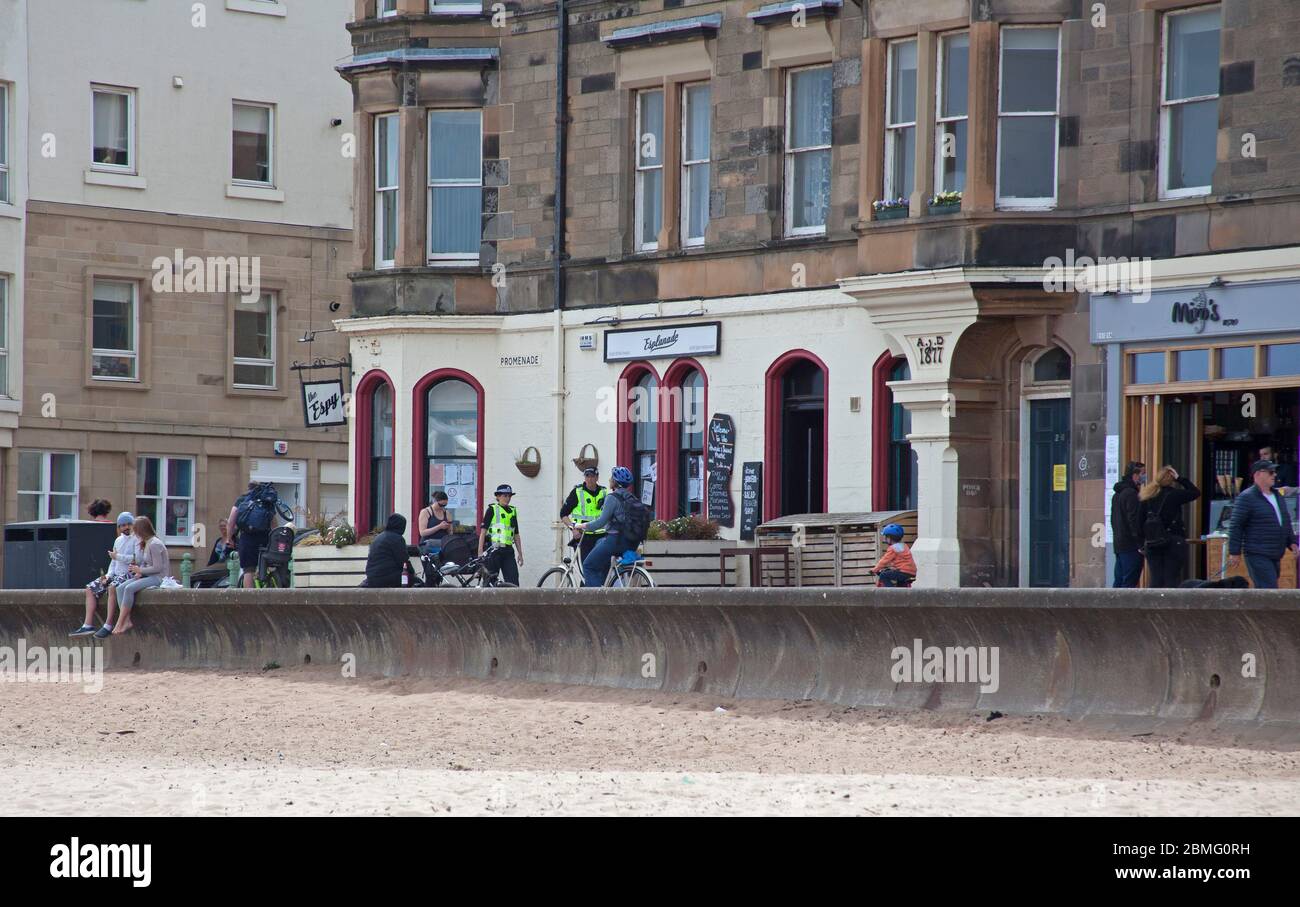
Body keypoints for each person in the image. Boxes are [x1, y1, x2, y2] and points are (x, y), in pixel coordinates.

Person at [1227, 460, 1299, 589]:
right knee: (1269, 588)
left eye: (1274, 472)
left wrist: (1292, 542)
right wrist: (1234, 551)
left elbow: (1285, 520)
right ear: (1258, 474)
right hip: (1257, 552)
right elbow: (1236, 525)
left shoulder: (1277, 495)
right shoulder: (1247, 497)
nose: (1274, 475)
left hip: (1275, 552)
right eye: (1270, 472)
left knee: (1267, 589)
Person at [70, 511, 138, 637]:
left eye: (129, 524)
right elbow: (113, 562)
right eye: (123, 525)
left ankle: (108, 624)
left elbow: (135, 559)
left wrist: (118, 556)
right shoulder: (118, 540)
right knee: (90, 588)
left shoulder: (137, 539)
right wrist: (107, 576)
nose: (126, 527)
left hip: (129, 573)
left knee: (112, 588)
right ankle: (87, 625)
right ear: (119, 527)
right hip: (115, 573)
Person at [576, 466, 639, 589]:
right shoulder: (631, 497)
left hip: (615, 541)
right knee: (600, 544)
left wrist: (583, 525)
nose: (609, 480)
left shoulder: (612, 498)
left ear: (615, 481)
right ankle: (604, 583)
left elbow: (600, 522)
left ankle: (595, 602)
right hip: (631, 542)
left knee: (588, 565)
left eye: (611, 478)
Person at [1137, 466, 1200, 588]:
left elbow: (1139, 523)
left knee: (1156, 578)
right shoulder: (1174, 495)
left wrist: (1140, 544)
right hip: (1173, 540)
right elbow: (1195, 492)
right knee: (1171, 577)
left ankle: (1154, 605)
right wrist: (1180, 478)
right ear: (1171, 480)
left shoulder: (1147, 496)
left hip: (1152, 542)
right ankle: (1169, 606)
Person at [111, 516, 169, 635]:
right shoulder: (146, 542)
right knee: (120, 588)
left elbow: (158, 568)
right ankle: (126, 621)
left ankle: (120, 622)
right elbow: (146, 563)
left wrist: (140, 570)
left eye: (135, 529)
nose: (133, 533)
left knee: (129, 588)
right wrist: (139, 572)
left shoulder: (154, 544)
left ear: (141, 530)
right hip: (148, 575)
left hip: (159, 577)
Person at [226, 483, 280, 588]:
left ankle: (249, 599)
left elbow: (231, 521)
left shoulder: (243, 499)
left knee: (248, 570)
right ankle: (269, 581)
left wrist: (229, 538)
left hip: (248, 538)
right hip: (265, 537)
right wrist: (275, 539)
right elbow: (274, 523)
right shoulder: (266, 500)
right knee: (267, 565)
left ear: (249, 489)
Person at [560, 466, 607, 565]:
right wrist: (573, 529)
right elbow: (563, 514)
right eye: (587, 476)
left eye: (592, 476)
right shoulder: (577, 492)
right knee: (587, 569)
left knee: (602, 568)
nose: (589, 479)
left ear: (597, 477)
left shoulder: (604, 492)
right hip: (583, 537)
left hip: (601, 536)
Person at [1111, 461, 1146, 588]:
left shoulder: (1117, 494)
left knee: (1119, 581)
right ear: (1135, 475)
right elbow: (1134, 521)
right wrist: (1140, 544)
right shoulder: (1131, 494)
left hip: (1120, 543)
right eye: (1143, 474)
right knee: (1129, 583)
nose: (1144, 477)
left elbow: (1114, 520)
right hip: (1131, 545)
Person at [479, 485, 522, 586]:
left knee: (513, 581)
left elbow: (516, 534)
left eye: (509, 496)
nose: (507, 498)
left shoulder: (513, 511)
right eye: (504, 496)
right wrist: (480, 552)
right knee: (489, 582)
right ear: (498, 496)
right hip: (494, 551)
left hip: (508, 551)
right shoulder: (492, 509)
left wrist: (520, 553)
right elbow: (483, 532)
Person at [363, 513, 411, 588]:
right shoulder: (397, 539)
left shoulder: (378, 537)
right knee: (411, 578)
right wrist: (412, 573)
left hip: (372, 577)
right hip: (386, 577)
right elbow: (403, 561)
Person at [873, 523, 916, 587]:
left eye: (885, 537)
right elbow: (902, 561)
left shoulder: (893, 548)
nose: (885, 539)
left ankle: (891, 593)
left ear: (890, 538)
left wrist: (875, 569)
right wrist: (892, 568)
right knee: (900, 586)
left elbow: (884, 561)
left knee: (884, 575)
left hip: (904, 572)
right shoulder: (904, 545)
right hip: (911, 572)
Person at [417, 491, 453, 557]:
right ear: (435, 501)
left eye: (445, 505)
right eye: (441, 505)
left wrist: (449, 527)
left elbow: (450, 533)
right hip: (428, 545)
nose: (442, 507)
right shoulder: (426, 512)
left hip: (442, 545)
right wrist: (439, 527)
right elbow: (422, 532)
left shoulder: (447, 513)